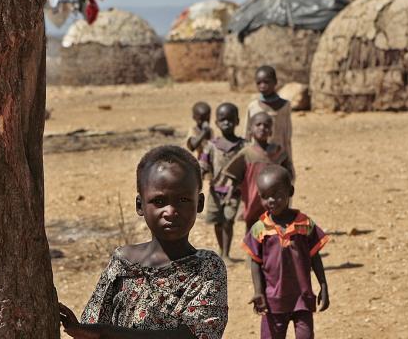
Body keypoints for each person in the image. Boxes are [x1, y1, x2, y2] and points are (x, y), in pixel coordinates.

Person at [59, 145, 228, 339]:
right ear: (140, 205)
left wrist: (103, 333)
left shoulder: (207, 268)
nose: (170, 211)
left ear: (199, 203)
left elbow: (193, 335)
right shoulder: (123, 262)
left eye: (182, 200)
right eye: (159, 201)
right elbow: (92, 322)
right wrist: (85, 331)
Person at [242, 165, 329, 339]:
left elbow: (315, 257)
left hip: (302, 298)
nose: (271, 200)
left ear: (290, 191)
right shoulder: (260, 229)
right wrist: (258, 292)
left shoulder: (305, 225)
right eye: (265, 196)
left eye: (277, 194)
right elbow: (255, 263)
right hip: (273, 301)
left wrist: (324, 286)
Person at [221, 112, 293, 231]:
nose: (262, 128)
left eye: (266, 125)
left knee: (275, 226)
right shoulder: (247, 153)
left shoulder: (278, 153)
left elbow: (287, 173)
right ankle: (253, 249)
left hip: (274, 199)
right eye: (258, 124)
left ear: (271, 131)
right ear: (250, 130)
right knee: (253, 228)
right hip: (253, 198)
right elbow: (234, 175)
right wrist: (230, 194)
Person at [199, 103, 246, 263]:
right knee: (217, 223)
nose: (227, 123)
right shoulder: (211, 145)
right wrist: (202, 176)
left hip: (234, 191)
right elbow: (203, 164)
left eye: (230, 120)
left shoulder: (243, 146)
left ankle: (226, 253)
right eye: (222, 120)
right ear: (217, 123)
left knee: (228, 221)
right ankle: (221, 250)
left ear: (238, 121)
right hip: (215, 190)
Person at [244, 65, 293, 163]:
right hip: (257, 157)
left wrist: (289, 161)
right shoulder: (253, 107)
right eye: (259, 83)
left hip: (279, 155)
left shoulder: (285, 106)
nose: (262, 86)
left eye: (266, 82)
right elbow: (247, 135)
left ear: (275, 82)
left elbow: (287, 136)